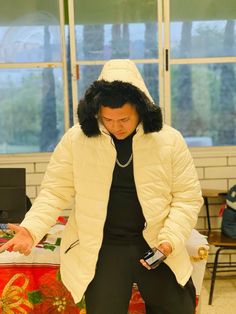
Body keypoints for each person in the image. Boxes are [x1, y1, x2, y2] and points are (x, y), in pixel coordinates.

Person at [0, 59, 203, 314]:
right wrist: (31, 229)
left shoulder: (169, 140)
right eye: (107, 119)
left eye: (124, 119)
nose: (116, 127)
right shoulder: (76, 140)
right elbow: (54, 192)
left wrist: (169, 241)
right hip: (104, 247)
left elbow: (187, 198)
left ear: (141, 109)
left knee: (177, 308)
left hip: (155, 243)